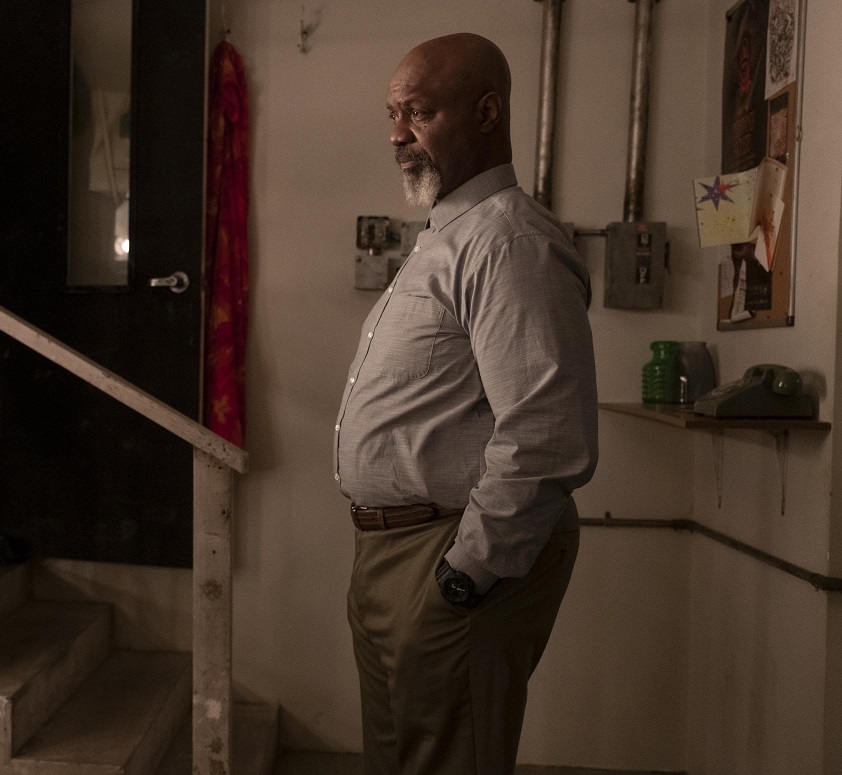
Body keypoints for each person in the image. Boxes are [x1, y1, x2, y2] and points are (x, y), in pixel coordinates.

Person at [335, 34, 598, 774]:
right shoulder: (446, 238)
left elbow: (546, 434)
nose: (397, 135)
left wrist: (468, 573)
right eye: (392, 114)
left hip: (445, 556)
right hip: (389, 554)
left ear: (487, 113)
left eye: (419, 113)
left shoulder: (509, 242)